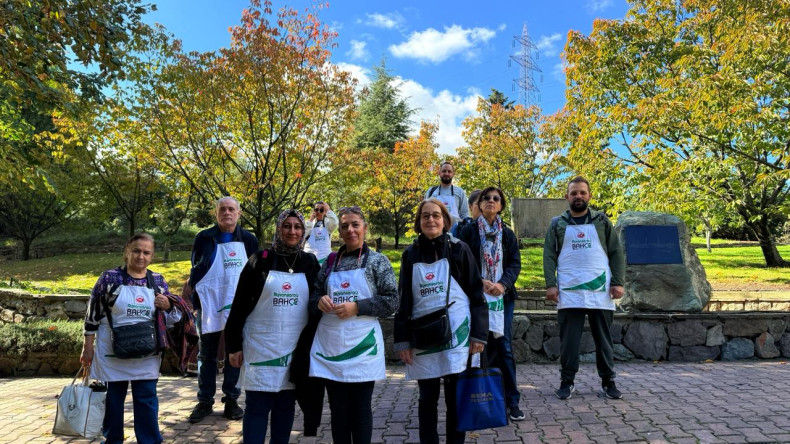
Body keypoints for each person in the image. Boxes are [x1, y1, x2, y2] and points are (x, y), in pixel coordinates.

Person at [395, 199, 489, 444]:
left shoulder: (460, 249)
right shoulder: (410, 254)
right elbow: (404, 300)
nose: (430, 220)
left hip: (457, 335)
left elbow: (477, 295)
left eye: (436, 215)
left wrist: (479, 335)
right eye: (425, 216)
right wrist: (402, 340)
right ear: (419, 222)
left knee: (455, 398)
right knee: (427, 398)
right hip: (423, 335)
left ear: (445, 220)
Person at [81, 233, 189, 444]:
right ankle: (112, 440)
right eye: (136, 250)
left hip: (146, 352)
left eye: (146, 252)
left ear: (152, 256)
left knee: (146, 399)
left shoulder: (157, 281)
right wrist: (87, 347)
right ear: (127, 252)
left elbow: (169, 318)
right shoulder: (108, 278)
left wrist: (168, 305)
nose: (141, 256)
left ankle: (149, 440)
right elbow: (92, 314)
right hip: (111, 351)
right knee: (113, 401)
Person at [224, 209, 321, 443]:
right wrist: (233, 345)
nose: (292, 231)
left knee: (285, 407)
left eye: (297, 227)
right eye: (287, 226)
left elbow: (318, 304)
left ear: (303, 231)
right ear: (278, 229)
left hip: (294, 348)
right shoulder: (260, 259)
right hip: (260, 346)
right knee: (257, 406)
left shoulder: (310, 263)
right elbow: (238, 305)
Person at [309, 206, 398, 444]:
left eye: (355, 224)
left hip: (362, 347)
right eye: (345, 225)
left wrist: (357, 307)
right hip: (332, 347)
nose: (350, 230)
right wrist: (320, 301)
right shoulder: (329, 263)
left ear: (365, 228)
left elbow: (392, 301)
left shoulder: (378, 262)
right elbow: (313, 296)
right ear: (339, 231)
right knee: (337, 411)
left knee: (360, 409)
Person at [543, 176, 625, 400]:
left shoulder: (602, 221)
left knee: (604, 339)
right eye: (573, 193)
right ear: (566, 197)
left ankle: (608, 381)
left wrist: (618, 282)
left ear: (589, 195)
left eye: (582, 192)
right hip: (569, 291)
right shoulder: (557, 223)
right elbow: (549, 255)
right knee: (569, 340)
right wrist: (551, 284)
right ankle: (567, 382)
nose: (578, 196)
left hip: (600, 290)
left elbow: (617, 253)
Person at [188, 196, 259, 423]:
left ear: (239, 213)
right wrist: (198, 304)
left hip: (238, 306)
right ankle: (204, 401)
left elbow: (255, 273)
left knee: (234, 354)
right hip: (210, 304)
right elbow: (196, 272)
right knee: (206, 354)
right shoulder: (204, 237)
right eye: (222, 209)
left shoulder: (248, 239)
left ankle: (231, 399)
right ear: (216, 213)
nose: (227, 213)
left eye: (231, 209)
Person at [458, 186, 524, 421]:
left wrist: (502, 285)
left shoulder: (507, 234)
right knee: (476, 346)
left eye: (496, 199)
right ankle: (474, 398)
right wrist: (479, 282)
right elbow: (460, 263)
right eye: (486, 198)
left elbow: (515, 264)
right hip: (476, 297)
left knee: (504, 347)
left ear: (501, 205)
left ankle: (511, 400)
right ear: (479, 203)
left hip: (501, 297)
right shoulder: (467, 232)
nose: (491, 201)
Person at [425, 161, 469, 228]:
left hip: (455, 233)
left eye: (449, 171)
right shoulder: (431, 191)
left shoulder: (460, 192)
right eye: (444, 171)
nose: (446, 173)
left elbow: (465, 215)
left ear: (453, 174)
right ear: (439, 173)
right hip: (434, 232)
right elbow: (424, 212)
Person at [304, 201, 338, 265]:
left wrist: (328, 210)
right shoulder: (309, 223)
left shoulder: (328, 224)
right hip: (309, 261)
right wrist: (310, 220)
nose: (318, 212)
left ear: (325, 212)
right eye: (316, 209)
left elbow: (335, 222)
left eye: (321, 210)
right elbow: (302, 234)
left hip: (324, 261)